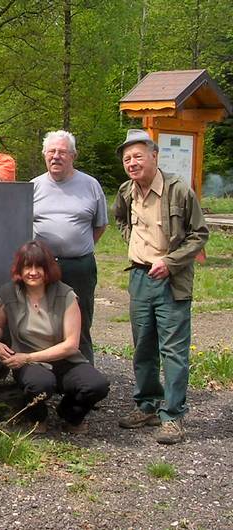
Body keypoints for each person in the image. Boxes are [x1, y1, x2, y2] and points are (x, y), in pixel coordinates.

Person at [113, 129, 208, 445]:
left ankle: (174, 416)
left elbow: (199, 234)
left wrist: (170, 261)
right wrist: (135, 244)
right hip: (139, 278)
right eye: (127, 158)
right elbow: (121, 221)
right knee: (142, 347)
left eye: (138, 155)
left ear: (155, 156)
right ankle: (147, 406)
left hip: (171, 279)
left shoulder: (179, 190)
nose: (132, 162)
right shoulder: (126, 191)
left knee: (174, 350)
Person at [0, 241, 109, 434]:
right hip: (30, 365)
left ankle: (70, 415)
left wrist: (26, 357)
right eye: (28, 266)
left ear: (48, 269)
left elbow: (71, 345)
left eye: (39, 267)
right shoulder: (8, 293)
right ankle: (36, 418)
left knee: (97, 385)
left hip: (63, 360)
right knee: (40, 383)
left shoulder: (66, 295)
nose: (33, 272)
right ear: (20, 269)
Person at [32, 130, 107, 365]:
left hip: (79, 267)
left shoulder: (91, 185)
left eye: (62, 152)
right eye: (51, 151)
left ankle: (83, 383)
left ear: (73, 155)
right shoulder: (34, 186)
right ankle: (44, 379)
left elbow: (100, 225)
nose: (56, 156)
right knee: (41, 322)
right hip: (42, 267)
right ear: (44, 155)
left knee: (80, 322)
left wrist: (76, 248)